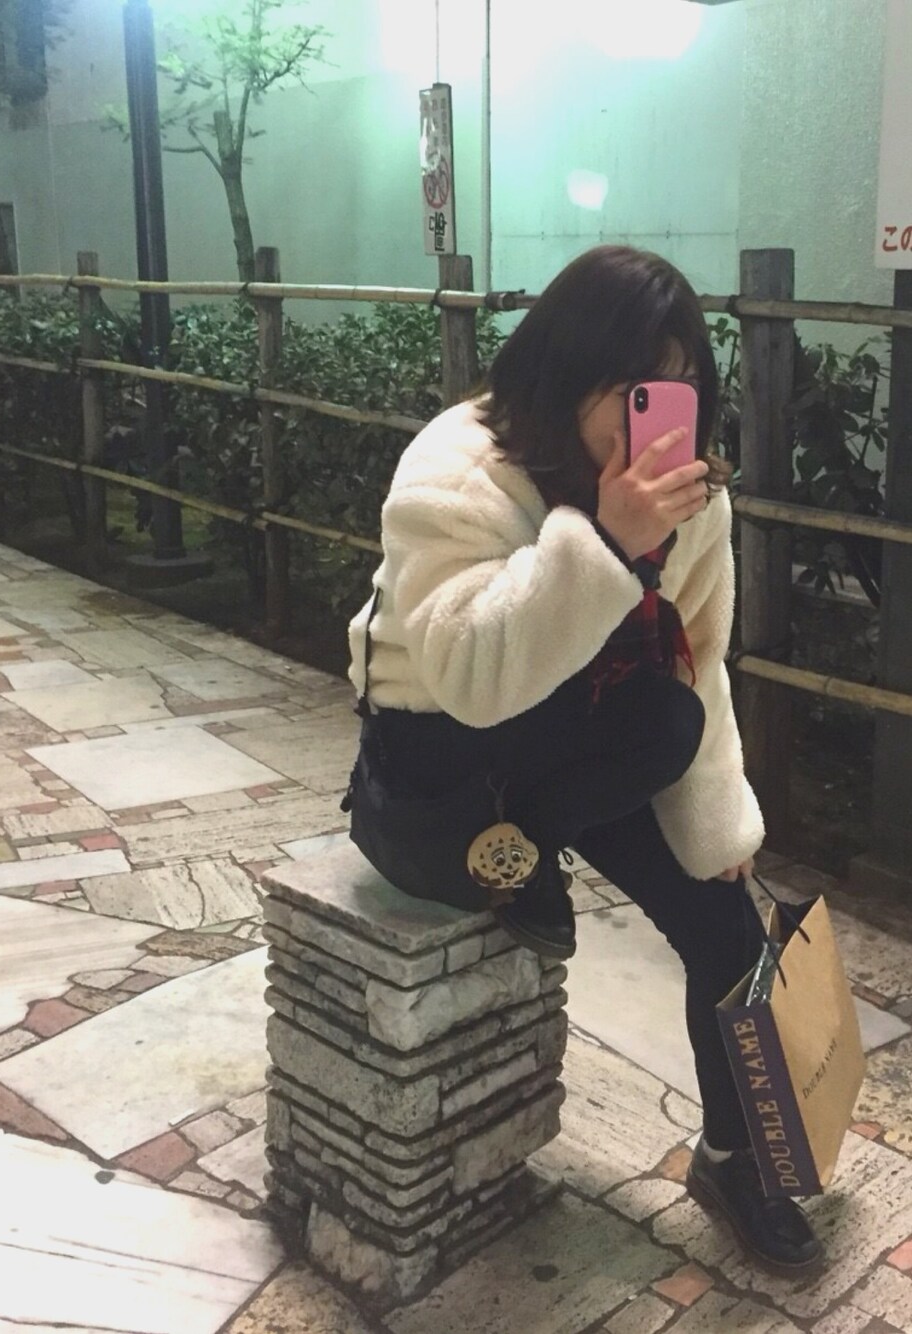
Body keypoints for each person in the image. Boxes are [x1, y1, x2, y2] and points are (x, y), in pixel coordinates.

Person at [346, 245, 823, 1274]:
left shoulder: (692, 502)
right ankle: (509, 858)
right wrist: (604, 542)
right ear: (565, 375)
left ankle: (734, 1159)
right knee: (653, 722)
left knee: (728, 925)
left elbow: (694, 657)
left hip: (583, 741)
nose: (662, 413)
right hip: (435, 759)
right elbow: (471, 678)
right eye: (636, 386)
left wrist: (717, 832)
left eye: (682, 384)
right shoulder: (460, 466)